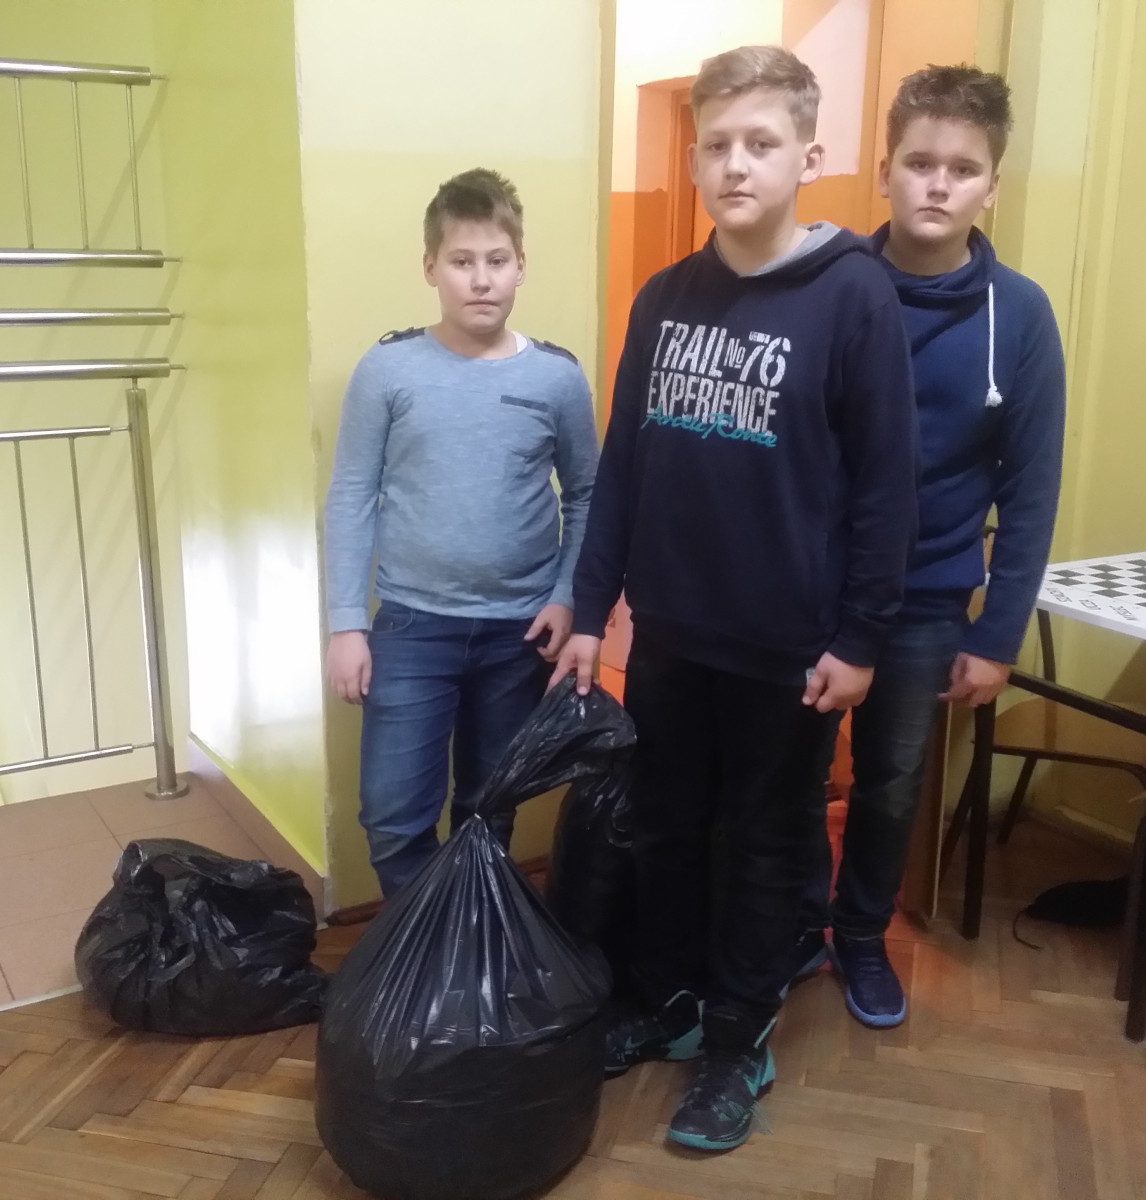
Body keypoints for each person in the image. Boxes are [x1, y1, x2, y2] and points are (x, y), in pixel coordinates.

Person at [551, 46, 917, 1152]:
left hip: (787, 648)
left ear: (809, 155)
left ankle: (736, 1041)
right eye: (716, 144)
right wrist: (589, 612)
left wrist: (860, 637)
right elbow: (623, 469)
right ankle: (669, 1003)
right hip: (670, 633)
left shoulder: (854, 295)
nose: (735, 164)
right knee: (664, 830)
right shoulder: (665, 298)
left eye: (761, 143)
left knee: (765, 845)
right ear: (694, 158)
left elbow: (885, 486)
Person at [790, 65, 1066, 1028]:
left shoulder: (1019, 316)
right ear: (884, 172)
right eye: (919, 163)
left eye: (963, 168)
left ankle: (862, 934)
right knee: (793, 768)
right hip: (813, 588)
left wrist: (997, 635)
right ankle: (795, 925)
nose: (938, 185)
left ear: (992, 185)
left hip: (927, 598)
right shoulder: (827, 286)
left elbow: (1031, 488)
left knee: (893, 777)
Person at [323, 168, 598, 898]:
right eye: (462, 261)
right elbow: (350, 495)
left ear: (521, 266)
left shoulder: (557, 378)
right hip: (413, 626)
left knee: (488, 809)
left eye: (497, 260)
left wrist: (568, 597)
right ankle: (420, 946)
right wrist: (346, 624)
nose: (481, 280)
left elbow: (588, 495)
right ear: (430, 268)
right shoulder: (388, 369)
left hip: (520, 631)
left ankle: (473, 943)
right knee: (393, 816)